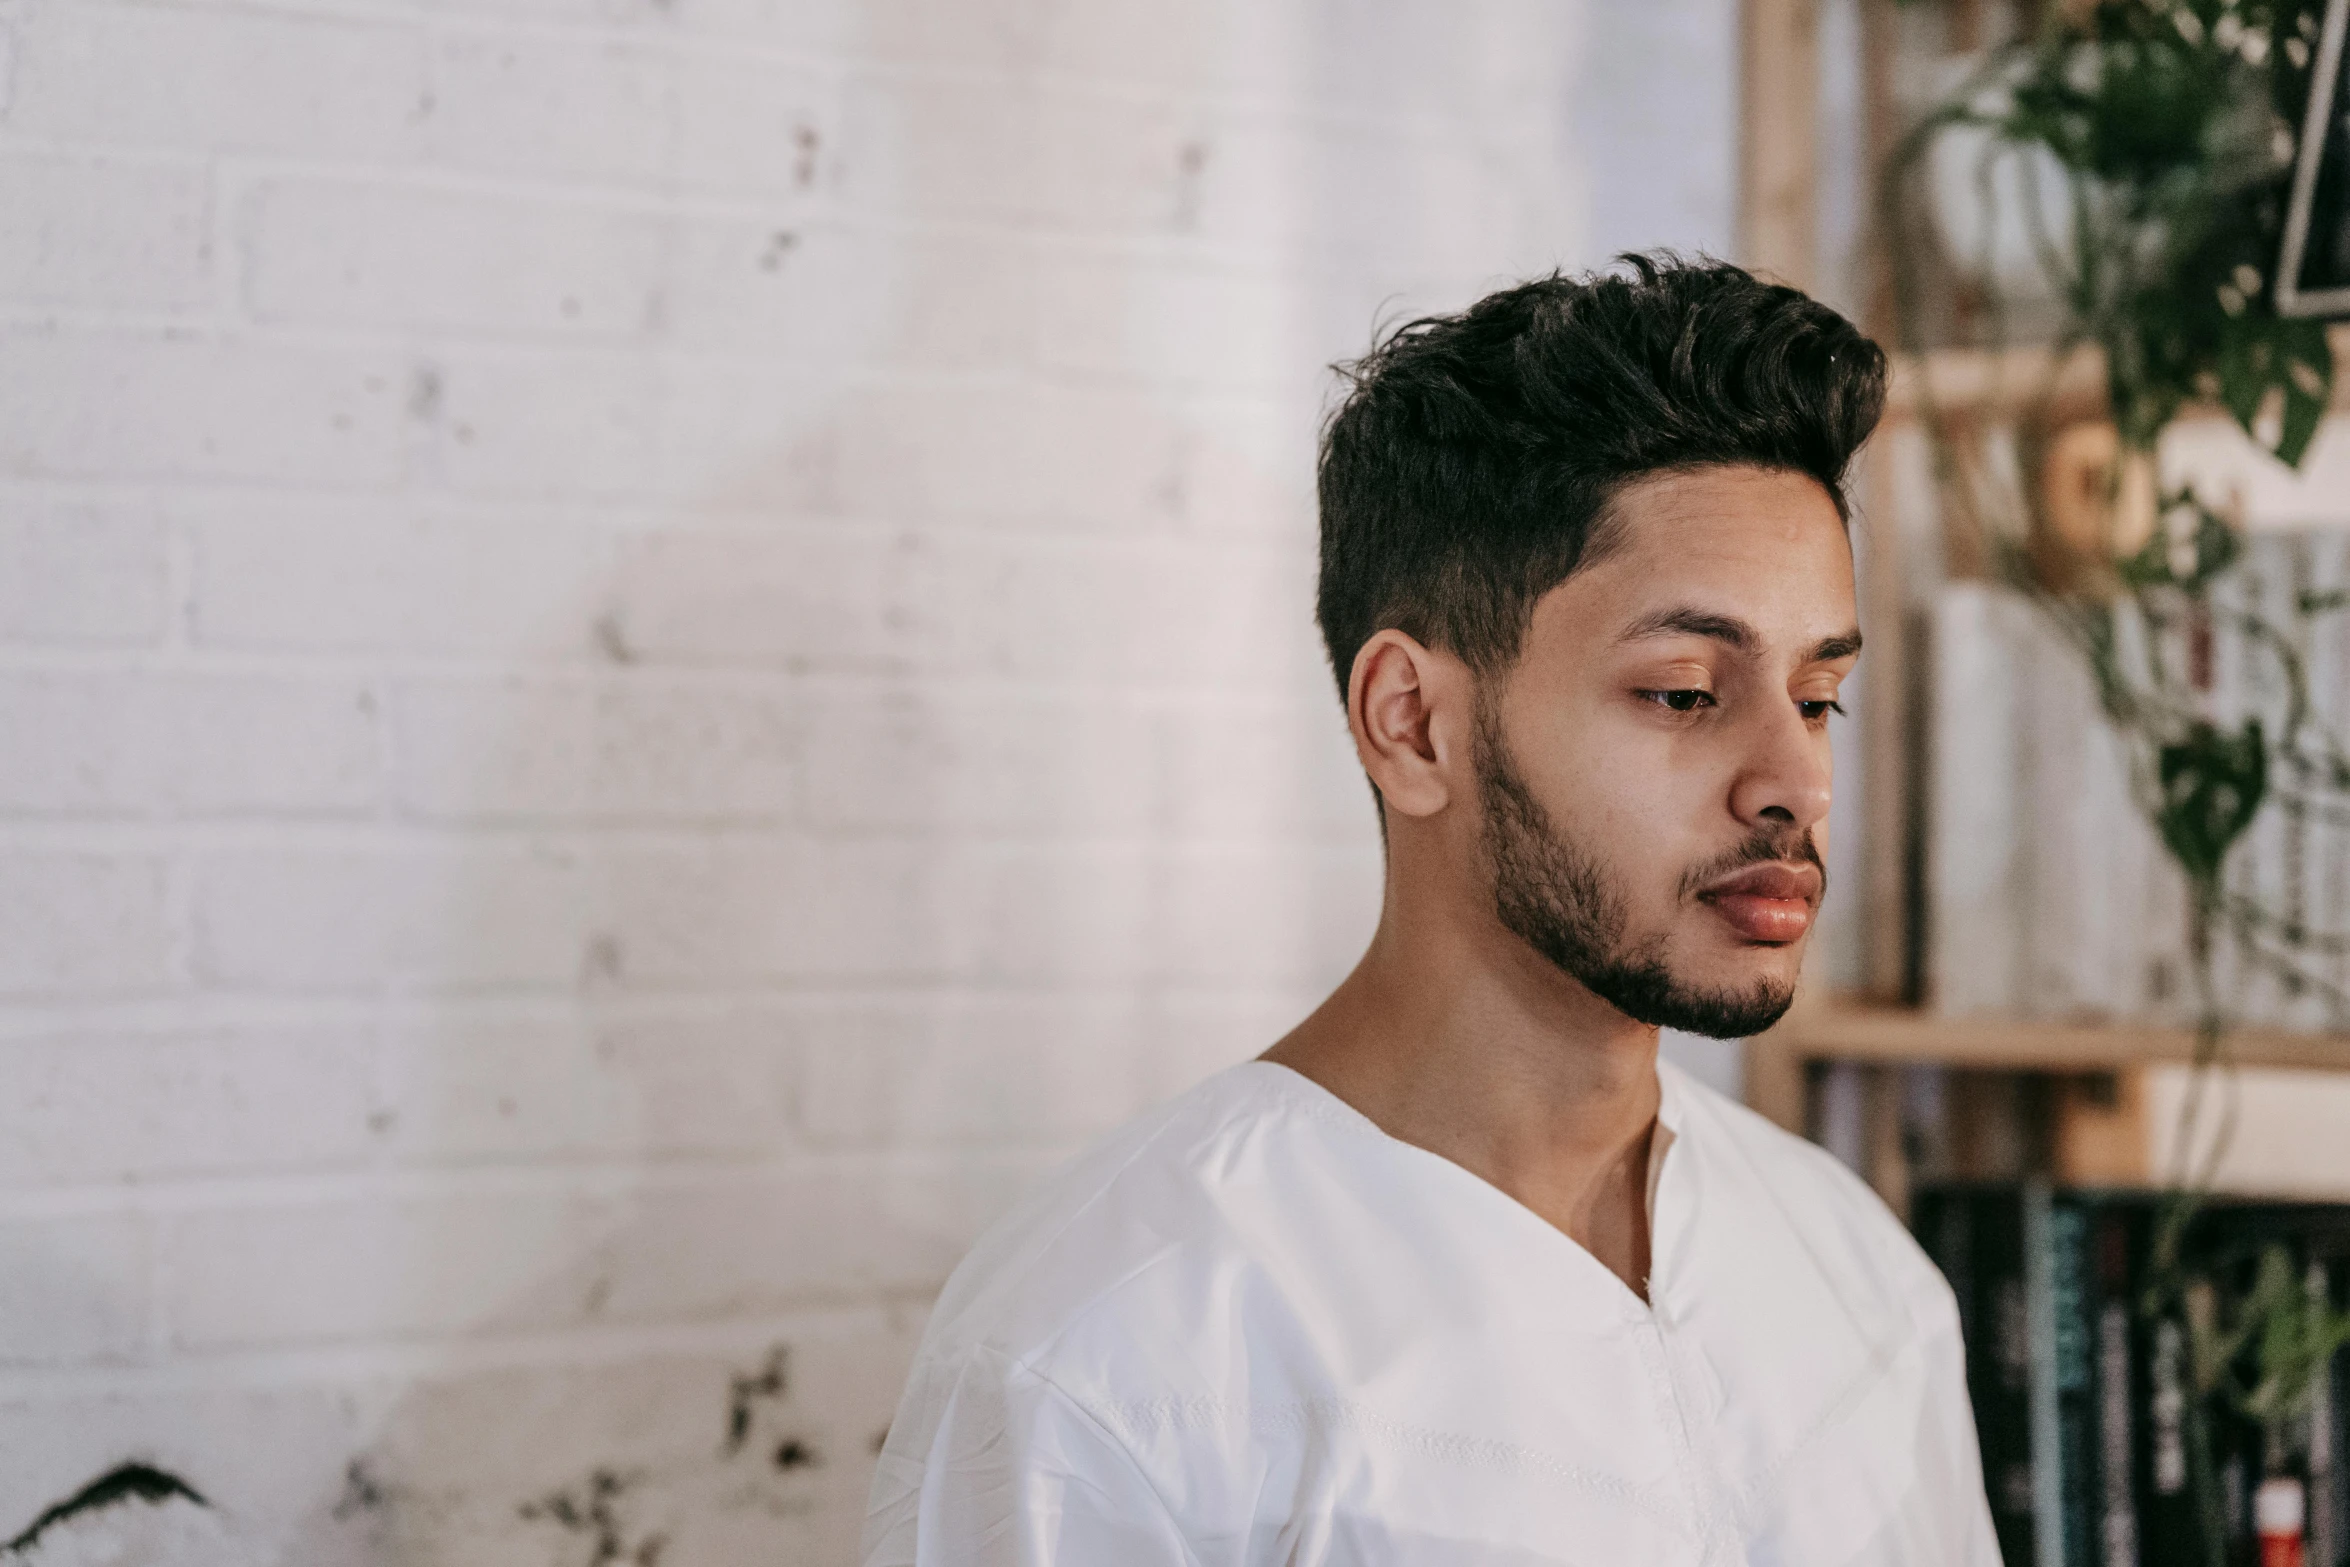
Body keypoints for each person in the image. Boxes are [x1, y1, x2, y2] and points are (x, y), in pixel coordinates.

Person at [862, 255, 1998, 1566]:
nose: (1795, 781)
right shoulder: (1111, 1355)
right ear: (1410, 723)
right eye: (1685, 691)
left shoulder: (1856, 1277)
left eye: (1816, 696)